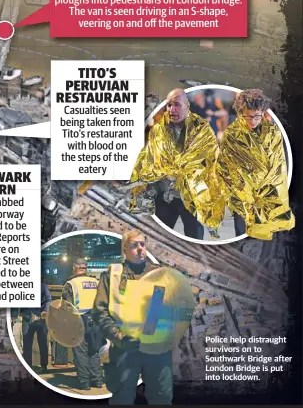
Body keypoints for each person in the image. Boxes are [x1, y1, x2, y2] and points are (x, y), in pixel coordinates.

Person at [129, 88, 221, 239]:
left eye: (177, 105)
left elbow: (212, 163)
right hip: (164, 195)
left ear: (187, 106)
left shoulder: (202, 129)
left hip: (191, 196)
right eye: (169, 105)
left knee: (194, 237)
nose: (172, 109)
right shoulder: (159, 129)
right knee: (158, 237)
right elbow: (147, 159)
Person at [91, 231, 170, 405]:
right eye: (134, 245)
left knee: (162, 396)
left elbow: (168, 307)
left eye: (142, 244)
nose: (140, 249)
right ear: (125, 249)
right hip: (124, 349)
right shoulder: (112, 276)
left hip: (156, 348)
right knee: (122, 398)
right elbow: (99, 311)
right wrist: (118, 337)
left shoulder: (159, 274)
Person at [216, 89, 295, 239]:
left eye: (256, 116)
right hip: (243, 197)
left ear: (263, 112)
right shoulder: (232, 134)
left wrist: (264, 187)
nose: (252, 121)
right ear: (240, 113)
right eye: (247, 116)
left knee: (265, 243)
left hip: (270, 194)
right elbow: (224, 166)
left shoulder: (273, 132)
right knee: (243, 238)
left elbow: (279, 164)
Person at [61, 258, 104, 390]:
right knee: (94, 351)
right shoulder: (97, 282)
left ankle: (84, 382)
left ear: (74, 268)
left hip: (80, 321)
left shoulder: (71, 284)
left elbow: (67, 307)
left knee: (81, 352)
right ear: (86, 268)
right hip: (97, 321)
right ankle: (97, 381)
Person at [20, 282, 51, 373]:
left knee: (31, 343)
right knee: (36, 343)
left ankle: (41, 366)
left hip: (37, 318)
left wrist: (45, 312)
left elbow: (49, 300)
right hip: (32, 317)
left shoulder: (42, 286)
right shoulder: (43, 286)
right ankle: (34, 366)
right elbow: (49, 299)